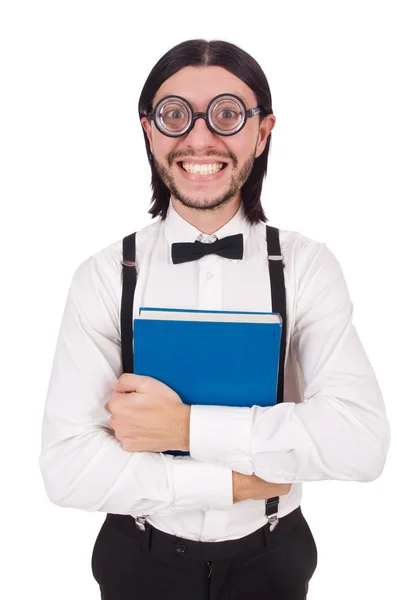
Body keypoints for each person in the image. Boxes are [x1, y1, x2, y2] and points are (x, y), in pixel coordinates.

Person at [38, 39, 391, 600]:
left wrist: (182, 429)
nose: (199, 138)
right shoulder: (105, 275)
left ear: (263, 130)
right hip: (139, 558)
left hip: (273, 557)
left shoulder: (306, 268)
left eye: (226, 114)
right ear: (148, 130)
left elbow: (361, 442)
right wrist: (236, 481)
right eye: (175, 115)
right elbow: (68, 469)